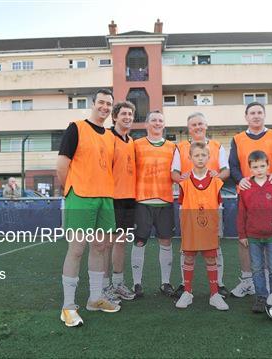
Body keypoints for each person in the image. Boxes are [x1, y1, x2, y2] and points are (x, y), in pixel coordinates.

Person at [57, 89, 120, 328]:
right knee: (77, 249)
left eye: (108, 104)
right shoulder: (76, 127)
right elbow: (62, 164)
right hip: (80, 196)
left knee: (101, 247)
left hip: (104, 197)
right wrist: (72, 190)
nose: (104, 107)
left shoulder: (110, 136)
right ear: (93, 104)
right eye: (101, 102)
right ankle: (68, 307)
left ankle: (95, 298)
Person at [228, 102, 272, 298]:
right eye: (252, 113)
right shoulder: (237, 139)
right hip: (248, 194)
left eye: (259, 112)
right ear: (246, 117)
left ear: (264, 115)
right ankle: (248, 281)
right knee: (246, 239)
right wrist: (240, 180)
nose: (256, 116)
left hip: (271, 195)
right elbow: (233, 165)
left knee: (270, 242)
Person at [171, 112, 230, 298]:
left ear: (206, 125)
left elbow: (225, 170)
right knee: (187, 245)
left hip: (211, 203)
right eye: (193, 124)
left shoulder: (217, 146)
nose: (197, 127)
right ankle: (184, 285)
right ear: (189, 128)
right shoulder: (180, 147)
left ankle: (218, 284)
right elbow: (174, 172)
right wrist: (183, 180)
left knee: (215, 244)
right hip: (189, 200)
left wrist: (212, 182)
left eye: (200, 124)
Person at [131, 110, 177, 298]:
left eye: (160, 121)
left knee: (165, 241)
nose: (157, 123)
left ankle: (165, 283)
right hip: (142, 200)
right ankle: (136, 284)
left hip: (165, 201)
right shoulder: (136, 145)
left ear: (164, 125)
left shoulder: (173, 147)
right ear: (146, 124)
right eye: (154, 120)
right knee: (140, 241)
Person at [237, 150, 272, 313]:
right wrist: (242, 234)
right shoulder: (245, 187)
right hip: (253, 236)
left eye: (262, 166)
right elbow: (241, 213)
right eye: (255, 167)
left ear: (268, 166)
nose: (259, 169)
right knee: (257, 268)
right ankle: (261, 297)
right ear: (250, 169)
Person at [102, 101, 137, 302]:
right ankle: (105, 285)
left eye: (130, 114)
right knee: (106, 244)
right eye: (123, 113)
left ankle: (118, 282)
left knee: (121, 242)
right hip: (110, 198)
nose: (127, 117)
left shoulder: (131, 140)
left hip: (128, 198)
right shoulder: (107, 137)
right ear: (115, 117)